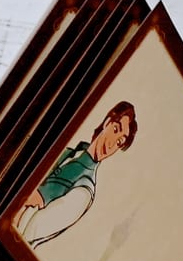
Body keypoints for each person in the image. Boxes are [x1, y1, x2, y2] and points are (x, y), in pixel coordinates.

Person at [16, 101, 137, 246]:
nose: (111, 144)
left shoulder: (85, 189)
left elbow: (33, 230)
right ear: (107, 122)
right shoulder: (68, 152)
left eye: (119, 142)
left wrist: (36, 197)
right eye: (116, 130)